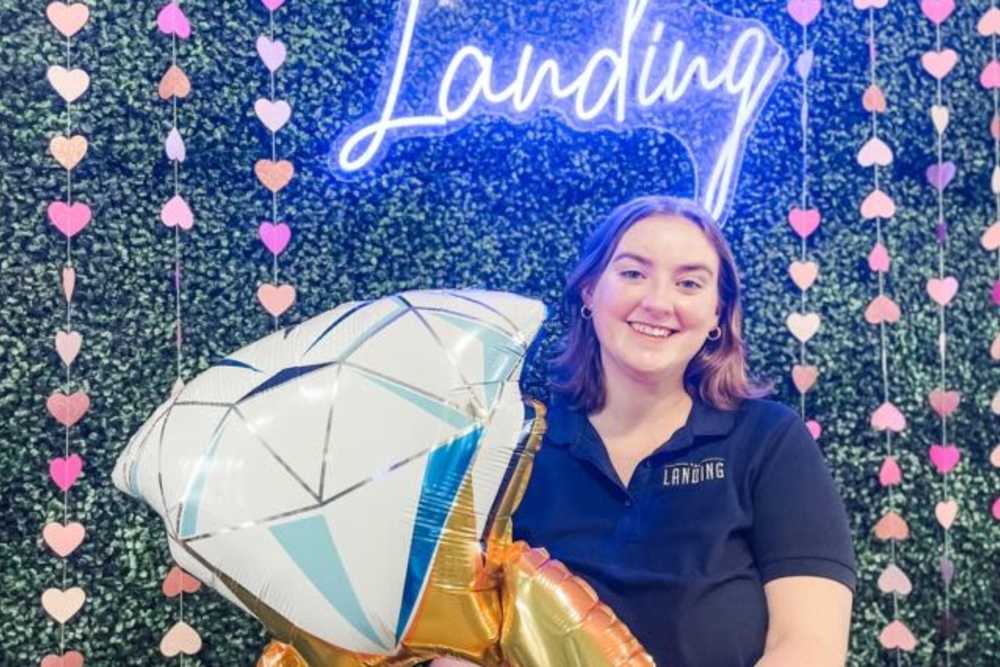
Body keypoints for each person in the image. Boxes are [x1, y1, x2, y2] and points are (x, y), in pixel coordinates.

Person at [437, 195, 856, 666]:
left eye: (689, 283)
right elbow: (460, 638)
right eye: (633, 273)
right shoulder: (511, 444)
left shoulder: (769, 439)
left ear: (718, 314)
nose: (658, 302)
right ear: (590, 292)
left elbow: (809, 648)